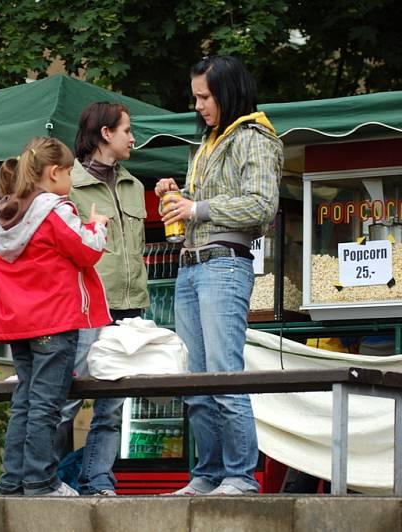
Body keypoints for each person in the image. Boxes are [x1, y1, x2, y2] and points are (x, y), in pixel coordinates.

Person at [156, 55, 283, 495]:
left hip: (225, 264)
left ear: (227, 93)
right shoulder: (209, 141)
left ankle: (240, 476)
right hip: (191, 266)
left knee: (225, 376)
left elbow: (263, 205)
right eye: (196, 97)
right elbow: (203, 205)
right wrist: (178, 196)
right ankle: (208, 473)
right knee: (195, 382)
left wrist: (197, 207)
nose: (198, 106)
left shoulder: (254, 137)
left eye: (204, 97)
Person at [0, 137, 111, 496]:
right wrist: (97, 225)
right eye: (69, 172)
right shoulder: (56, 210)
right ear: (54, 173)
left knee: (24, 402)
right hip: (54, 322)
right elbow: (85, 250)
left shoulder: (1, 217)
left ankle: (12, 482)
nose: (71, 179)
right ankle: (41, 482)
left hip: (16, 326)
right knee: (46, 407)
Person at [53, 101, 150, 496]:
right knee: (66, 402)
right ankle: (42, 480)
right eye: (127, 130)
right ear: (105, 134)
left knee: (111, 407)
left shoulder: (135, 185)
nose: (133, 138)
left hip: (131, 310)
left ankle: (97, 482)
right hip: (86, 310)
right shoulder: (67, 184)